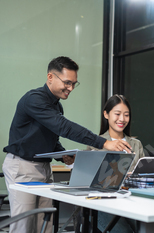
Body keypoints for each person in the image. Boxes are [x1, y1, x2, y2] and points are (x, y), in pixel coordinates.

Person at [2, 56, 132, 233]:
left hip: (43, 168)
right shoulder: (34, 99)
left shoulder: (56, 106)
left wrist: (63, 154)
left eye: (74, 84)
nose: (70, 88)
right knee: (25, 225)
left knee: (45, 224)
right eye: (67, 82)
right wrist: (103, 142)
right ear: (50, 77)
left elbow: (52, 138)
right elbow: (63, 127)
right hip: (23, 167)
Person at [86, 94, 144, 233]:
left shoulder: (136, 144)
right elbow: (88, 179)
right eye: (117, 114)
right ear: (106, 114)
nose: (122, 119)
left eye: (126, 115)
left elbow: (143, 176)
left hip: (131, 201)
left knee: (146, 228)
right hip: (102, 203)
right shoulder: (96, 144)